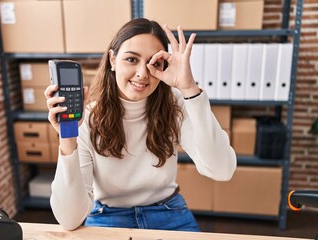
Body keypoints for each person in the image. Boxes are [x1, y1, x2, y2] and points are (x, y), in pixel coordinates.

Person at [44, 18, 237, 232]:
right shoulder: (87, 118)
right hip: (108, 215)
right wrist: (67, 137)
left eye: (153, 63)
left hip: (168, 211)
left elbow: (222, 170)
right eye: (131, 59)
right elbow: (69, 220)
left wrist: (190, 89)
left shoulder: (175, 105)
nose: (142, 74)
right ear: (112, 60)